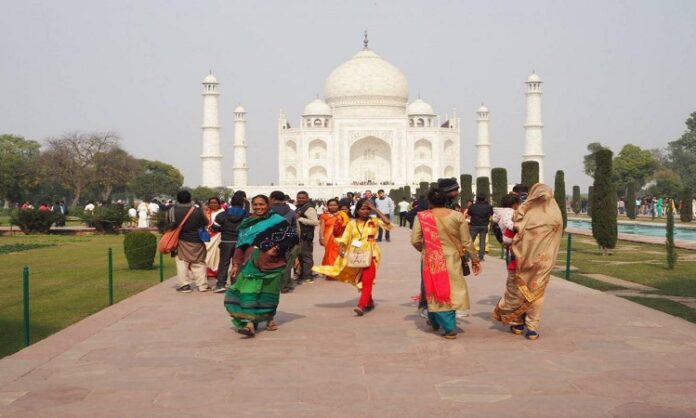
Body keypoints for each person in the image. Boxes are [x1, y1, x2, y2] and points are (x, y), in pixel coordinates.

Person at [492, 183, 563, 340]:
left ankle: (517, 323)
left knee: (517, 290)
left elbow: (509, 236)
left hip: (519, 260)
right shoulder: (556, 215)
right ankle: (532, 328)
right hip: (543, 262)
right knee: (536, 293)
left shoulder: (524, 212)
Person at [224, 195, 299, 337]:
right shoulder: (247, 223)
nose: (258, 207)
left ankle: (269, 317)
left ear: (268, 204)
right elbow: (240, 245)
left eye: (261, 204)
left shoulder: (278, 221)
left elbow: (292, 238)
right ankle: (249, 323)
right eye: (255, 204)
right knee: (248, 291)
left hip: (273, 262)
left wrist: (276, 248)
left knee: (268, 292)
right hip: (250, 262)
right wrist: (235, 264)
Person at [411, 188, 481, 339]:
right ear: (445, 200)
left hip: (431, 257)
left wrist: (426, 249)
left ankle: (449, 327)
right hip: (452, 257)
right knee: (451, 289)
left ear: (429, 202)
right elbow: (467, 241)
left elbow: (415, 240)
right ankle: (436, 320)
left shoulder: (422, 217)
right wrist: (475, 259)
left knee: (435, 289)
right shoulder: (457, 216)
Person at [313, 199, 392, 316]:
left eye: (367, 209)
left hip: (372, 253)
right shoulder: (351, 223)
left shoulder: (374, 221)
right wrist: (341, 248)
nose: (365, 211)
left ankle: (361, 305)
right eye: (362, 209)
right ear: (357, 210)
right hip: (356, 254)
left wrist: (375, 209)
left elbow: (388, 223)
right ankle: (369, 301)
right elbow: (345, 238)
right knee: (361, 279)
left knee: (367, 279)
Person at [167, 190, 210, 293]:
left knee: (182, 262)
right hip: (197, 240)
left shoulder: (172, 210)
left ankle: (184, 285)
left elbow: (170, 224)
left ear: (177, 199)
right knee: (199, 262)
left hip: (181, 240)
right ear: (190, 199)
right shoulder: (198, 211)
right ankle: (202, 285)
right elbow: (206, 222)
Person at [213, 192, 246, 293]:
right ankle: (235, 284)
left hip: (226, 241)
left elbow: (215, 227)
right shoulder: (246, 215)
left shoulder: (223, 214)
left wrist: (223, 229)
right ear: (242, 203)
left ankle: (221, 284)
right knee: (237, 263)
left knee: (224, 263)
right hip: (240, 242)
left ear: (231, 202)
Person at [270, 191, 299, 293]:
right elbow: (295, 228)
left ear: (272, 199)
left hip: (270, 241)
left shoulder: (268, 211)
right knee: (286, 264)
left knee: (270, 263)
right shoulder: (291, 212)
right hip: (286, 240)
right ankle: (284, 285)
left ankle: (271, 285)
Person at [295, 191, 319, 283]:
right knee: (301, 256)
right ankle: (303, 274)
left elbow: (315, 222)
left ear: (307, 198)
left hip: (305, 236)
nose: (300, 199)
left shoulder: (309, 208)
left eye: (303, 198)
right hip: (300, 235)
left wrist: (300, 219)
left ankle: (307, 276)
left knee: (306, 256)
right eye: (299, 198)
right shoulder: (300, 207)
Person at [318, 198, 350, 268]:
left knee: (339, 253)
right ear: (327, 206)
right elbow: (322, 228)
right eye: (330, 205)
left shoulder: (343, 215)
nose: (333, 207)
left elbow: (347, 226)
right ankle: (330, 270)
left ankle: (339, 269)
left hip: (340, 237)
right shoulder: (324, 216)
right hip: (328, 238)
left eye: (335, 205)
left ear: (338, 206)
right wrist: (321, 238)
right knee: (329, 253)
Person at [467, 194, 493, 261]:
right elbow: (491, 213)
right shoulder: (488, 206)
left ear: (477, 199)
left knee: (471, 241)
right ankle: (481, 256)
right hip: (484, 225)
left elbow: (469, 213)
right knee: (482, 241)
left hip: (474, 225)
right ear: (485, 199)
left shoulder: (473, 206)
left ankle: (467, 256)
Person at [204, 197, 225, 278]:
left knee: (217, 255)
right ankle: (207, 272)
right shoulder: (206, 212)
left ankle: (216, 271)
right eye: (211, 203)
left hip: (218, 236)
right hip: (207, 237)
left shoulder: (222, 212)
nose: (213, 204)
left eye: (215, 203)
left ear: (219, 204)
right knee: (207, 253)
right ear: (208, 204)